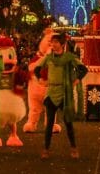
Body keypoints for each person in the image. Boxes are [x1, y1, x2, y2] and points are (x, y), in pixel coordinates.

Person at [37, 32, 87, 160]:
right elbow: (37, 68)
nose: (53, 44)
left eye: (56, 42)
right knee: (49, 124)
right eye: (52, 42)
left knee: (68, 122)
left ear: (62, 44)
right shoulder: (48, 58)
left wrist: (75, 80)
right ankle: (45, 149)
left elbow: (83, 69)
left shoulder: (69, 57)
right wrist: (40, 79)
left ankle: (74, 148)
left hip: (65, 93)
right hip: (51, 92)